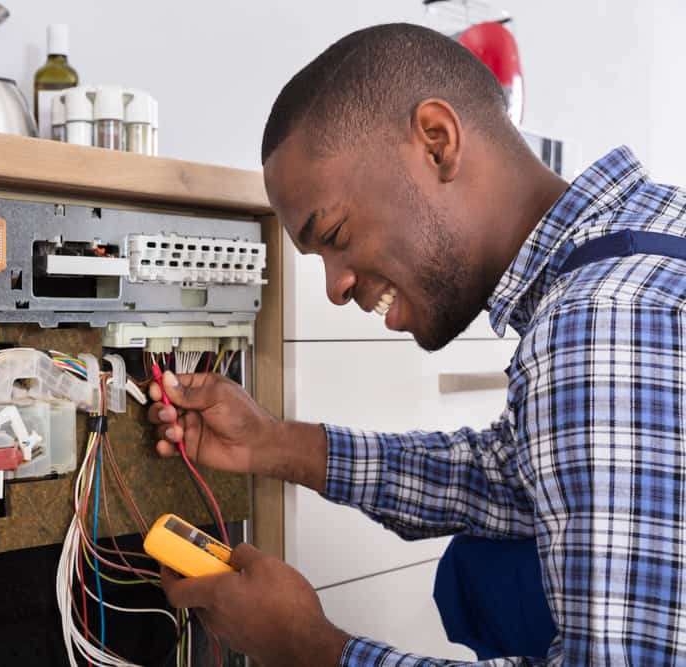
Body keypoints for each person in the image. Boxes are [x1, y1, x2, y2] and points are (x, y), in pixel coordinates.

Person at [148, 22, 686, 666]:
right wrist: (275, 442)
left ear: (437, 142)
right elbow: (517, 482)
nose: (335, 287)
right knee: (485, 562)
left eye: (337, 233)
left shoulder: (605, 322)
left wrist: (310, 648)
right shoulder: (647, 239)